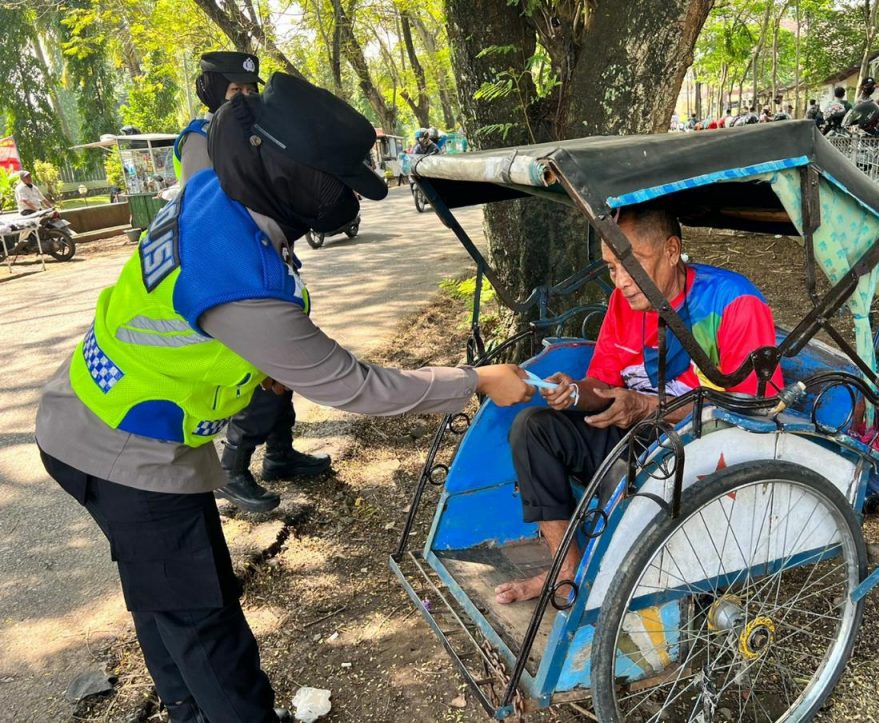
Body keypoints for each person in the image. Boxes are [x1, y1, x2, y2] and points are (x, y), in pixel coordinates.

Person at [35, 72, 533, 722]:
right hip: (129, 453)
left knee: (162, 595)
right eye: (342, 184)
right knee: (208, 624)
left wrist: (255, 362)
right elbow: (352, 383)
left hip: (80, 409)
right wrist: (474, 380)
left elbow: (201, 321)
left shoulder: (212, 179)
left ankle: (185, 708)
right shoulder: (242, 277)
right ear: (305, 183)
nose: (348, 201)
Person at [494, 204, 784, 604]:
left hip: (701, 448)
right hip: (637, 432)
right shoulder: (623, 304)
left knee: (622, 470)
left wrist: (648, 407)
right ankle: (567, 569)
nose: (622, 282)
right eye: (612, 268)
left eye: (633, 265)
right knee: (533, 428)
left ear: (671, 250)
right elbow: (605, 383)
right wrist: (576, 392)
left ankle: (633, 588)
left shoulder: (733, 302)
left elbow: (750, 406)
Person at [174, 51, 333, 513]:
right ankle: (232, 469)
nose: (244, 99)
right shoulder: (200, 138)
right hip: (233, 272)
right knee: (262, 372)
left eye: (249, 91)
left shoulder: (260, 134)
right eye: (233, 92)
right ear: (212, 94)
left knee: (285, 367)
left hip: (269, 260)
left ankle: (280, 455)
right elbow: (208, 212)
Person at [173, 51, 262, 185]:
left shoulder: (254, 132)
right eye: (236, 90)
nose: (246, 97)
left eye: (251, 91)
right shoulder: (201, 137)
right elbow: (201, 199)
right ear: (215, 91)